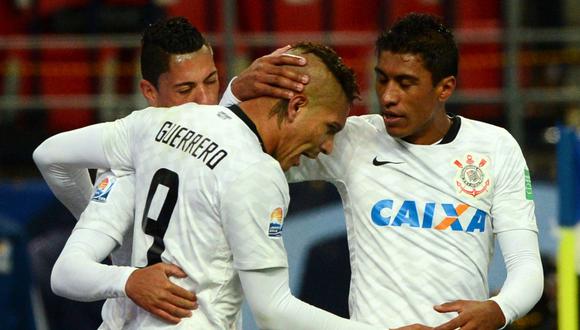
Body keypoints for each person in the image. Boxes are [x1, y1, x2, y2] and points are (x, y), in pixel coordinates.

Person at [34, 42, 410, 330]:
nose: (327, 147)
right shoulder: (257, 173)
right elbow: (272, 308)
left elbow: (51, 155)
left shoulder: (156, 124)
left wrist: (121, 258)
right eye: (329, 128)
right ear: (295, 106)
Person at [33, 16, 310, 328]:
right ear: (150, 92)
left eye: (212, 80)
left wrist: (233, 94)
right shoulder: (130, 157)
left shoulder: (230, 146)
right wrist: (126, 273)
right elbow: (49, 158)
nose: (204, 100)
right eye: (185, 88)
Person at [271, 13, 543, 330]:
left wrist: (499, 309)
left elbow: (526, 266)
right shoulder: (352, 139)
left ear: (444, 88)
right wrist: (237, 93)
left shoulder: (495, 147)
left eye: (405, 83)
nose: (387, 96)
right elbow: (250, 153)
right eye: (382, 78)